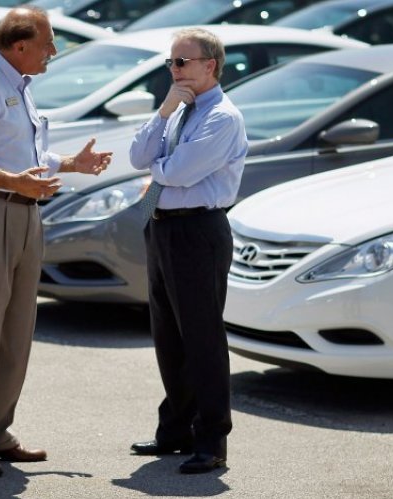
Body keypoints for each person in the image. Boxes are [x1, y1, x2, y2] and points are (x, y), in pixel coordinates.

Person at [0, 6, 112, 478]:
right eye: (47, 43)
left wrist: (71, 164)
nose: (53, 51)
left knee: (15, 332)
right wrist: (15, 183)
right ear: (20, 46)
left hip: (23, 212)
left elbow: (24, 153)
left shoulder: (18, 83)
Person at [128, 28, 248, 474]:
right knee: (168, 337)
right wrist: (163, 111)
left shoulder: (222, 117)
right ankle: (176, 430)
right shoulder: (179, 110)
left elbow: (179, 172)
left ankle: (212, 439)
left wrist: (157, 170)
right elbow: (137, 156)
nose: (174, 70)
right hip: (161, 226)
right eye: (170, 63)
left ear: (209, 65)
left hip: (198, 229)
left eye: (182, 62)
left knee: (201, 337)